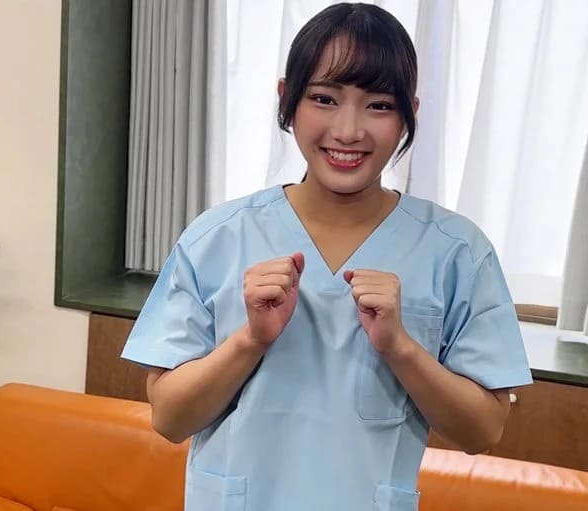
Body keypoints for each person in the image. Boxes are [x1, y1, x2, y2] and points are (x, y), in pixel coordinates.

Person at [121, 3, 532, 510]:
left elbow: (483, 430)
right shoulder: (216, 238)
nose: (348, 130)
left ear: (410, 113)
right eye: (324, 98)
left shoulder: (458, 253)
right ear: (287, 99)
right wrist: (250, 340)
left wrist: (401, 348)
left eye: (379, 105)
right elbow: (169, 418)